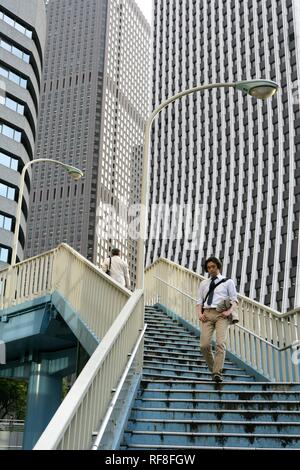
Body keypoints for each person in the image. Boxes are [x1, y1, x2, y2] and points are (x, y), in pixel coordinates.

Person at [196, 256, 238, 383]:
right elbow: (199, 302)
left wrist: (228, 311)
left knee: (220, 343)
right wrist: (199, 314)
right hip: (207, 315)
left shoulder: (227, 282)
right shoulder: (204, 283)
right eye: (208, 267)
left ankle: (216, 373)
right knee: (204, 345)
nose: (211, 269)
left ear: (218, 267)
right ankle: (214, 368)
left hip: (221, 315)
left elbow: (234, 300)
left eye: (213, 266)